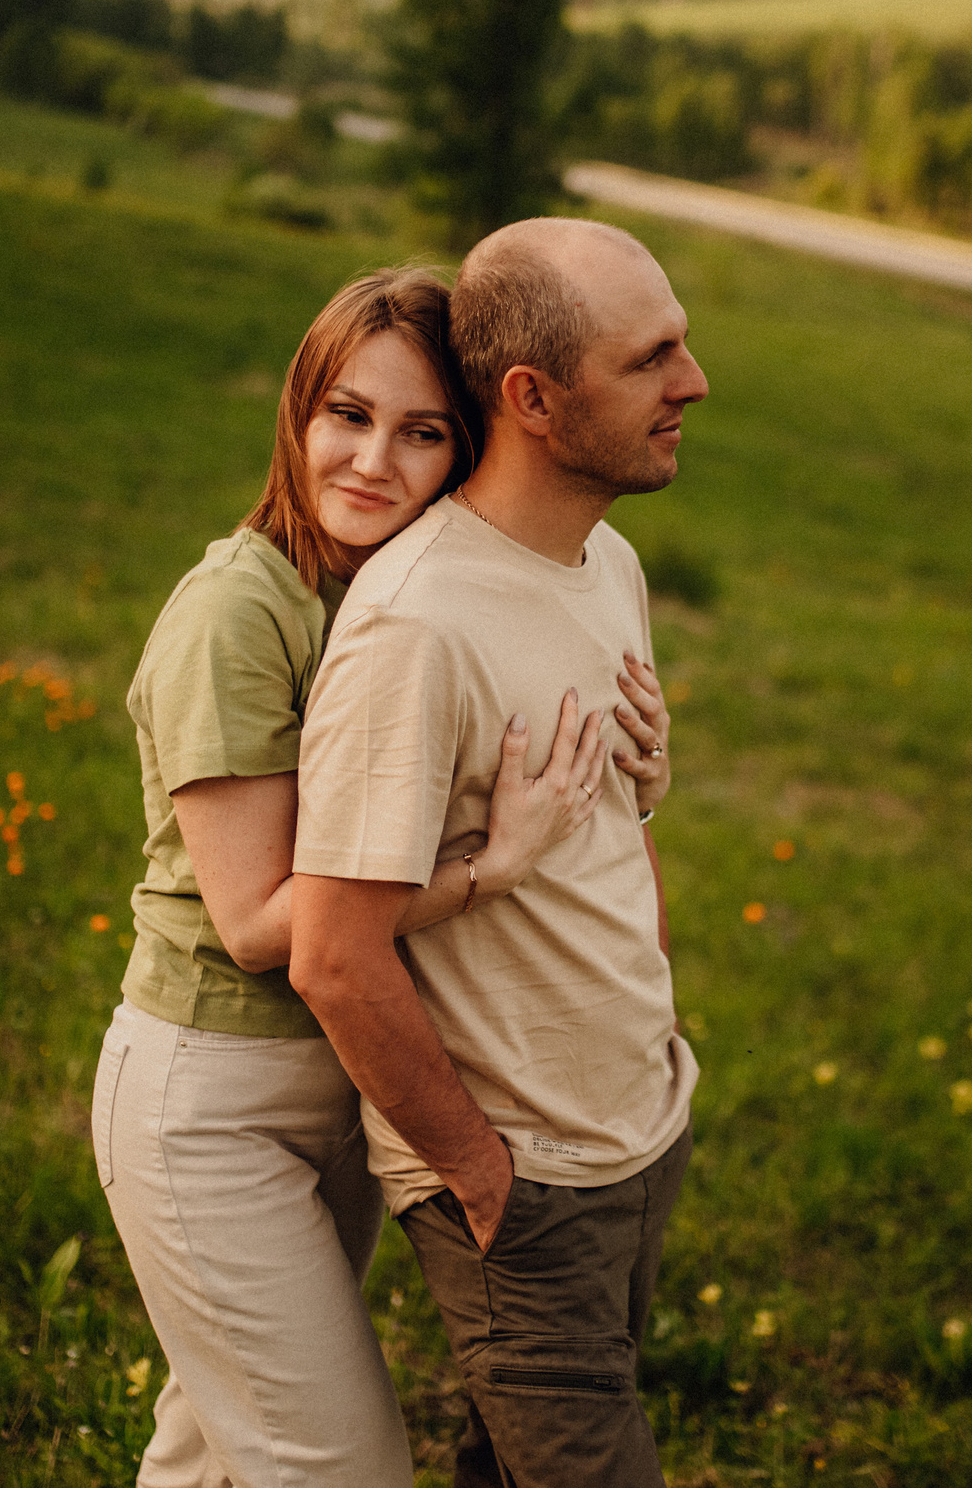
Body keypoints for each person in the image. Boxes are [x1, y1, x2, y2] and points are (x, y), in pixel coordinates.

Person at [93, 265, 664, 1488]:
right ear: (298, 411)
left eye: (421, 435)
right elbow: (254, 923)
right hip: (218, 1092)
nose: (370, 462)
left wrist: (634, 761)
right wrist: (487, 864)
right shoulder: (237, 614)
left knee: (211, 1446)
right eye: (346, 415)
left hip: (348, 1078)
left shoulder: (399, 591)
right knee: (332, 1463)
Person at [289, 219, 711, 1488]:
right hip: (526, 1180)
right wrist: (481, 1174)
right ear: (532, 397)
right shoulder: (418, 624)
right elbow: (333, 951)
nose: (693, 382)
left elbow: (606, 825)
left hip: (639, 1128)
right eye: (652, 359)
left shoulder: (607, 560)